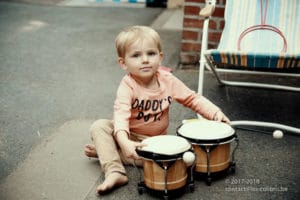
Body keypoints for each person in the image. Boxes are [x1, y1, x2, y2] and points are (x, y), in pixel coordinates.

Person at [84, 25, 230, 195]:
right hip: (125, 134)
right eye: (136, 55)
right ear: (123, 63)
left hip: (150, 143)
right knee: (99, 126)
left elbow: (192, 98)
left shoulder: (168, 80)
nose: (145, 60)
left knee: (174, 159)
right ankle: (115, 171)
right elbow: (121, 115)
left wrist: (215, 113)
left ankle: (107, 152)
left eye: (151, 54)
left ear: (160, 58)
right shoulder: (127, 86)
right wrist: (124, 142)